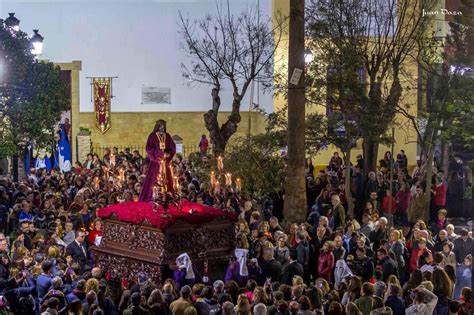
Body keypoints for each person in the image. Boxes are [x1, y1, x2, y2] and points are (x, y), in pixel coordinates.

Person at [139, 119, 176, 202]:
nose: (162, 127)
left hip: (165, 162)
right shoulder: (152, 136)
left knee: (167, 179)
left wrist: (168, 154)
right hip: (156, 163)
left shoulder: (168, 136)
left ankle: (167, 196)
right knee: (153, 179)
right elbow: (149, 148)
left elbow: (172, 148)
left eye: (163, 126)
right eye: (160, 125)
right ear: (157, 126)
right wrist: (159, 154)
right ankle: (153, 196)